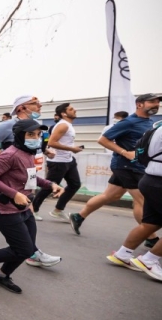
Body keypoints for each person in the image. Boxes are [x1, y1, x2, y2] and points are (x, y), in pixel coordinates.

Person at [0, 119, 64, 293]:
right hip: (5, 209)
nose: (35, 138)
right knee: (24, 249)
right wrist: (14, 194)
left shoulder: (28, 153)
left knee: (27, 248)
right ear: (19, 135)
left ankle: (2, 275)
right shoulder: (10, 154)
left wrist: (50, 184)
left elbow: (31, 178)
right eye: (30, 134)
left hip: (25, 207)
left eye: (38, 134)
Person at [69, 94, 161, 249]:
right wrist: (125, 152)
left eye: (158, 102)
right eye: (152, 102)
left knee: (111, 195)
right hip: (127, 166)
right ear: (139, 104)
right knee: (141, 201)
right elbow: (103, 140)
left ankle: (78, 216)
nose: (156, 104)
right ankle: (150, 237)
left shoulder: (149, 122)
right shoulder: (129, 122)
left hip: (133, 167)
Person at [0, 95, 50, 245]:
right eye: (34, 103)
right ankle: (31, 252)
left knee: (10, 207)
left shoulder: (35, 125)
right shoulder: (8, 125)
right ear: (21, 108)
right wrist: (6, 159)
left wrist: (46, 152)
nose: (40, 106)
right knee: (19, 208)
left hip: (29, 171)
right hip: (14, 175)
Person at [108, 120, 162, 281]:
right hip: (159, 181)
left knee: (151, 223)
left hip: (150, 179)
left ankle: (123, 254)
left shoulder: (158, 126)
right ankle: (150, 260)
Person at [31, 103, 83, 221]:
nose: (75, 110)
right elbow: (52, 143)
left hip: (69, 160)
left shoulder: (68, 125)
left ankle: (58, 210)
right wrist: (72, 149)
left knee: (75, 184)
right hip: (58, 162)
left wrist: (73, 148)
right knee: (48, 187)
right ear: (64, 113)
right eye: (71, 109)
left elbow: (63, 142)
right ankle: (33, 209)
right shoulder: (63, 125)